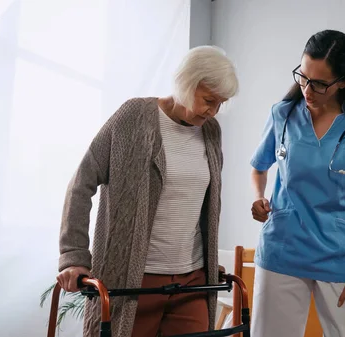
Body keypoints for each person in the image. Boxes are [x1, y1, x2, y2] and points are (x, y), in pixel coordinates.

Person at [56, 45, 239, 337]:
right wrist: (73, 255)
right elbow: (81, 183)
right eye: (208, 100)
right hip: (131, 279)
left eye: (221, 103)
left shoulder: (211, 131)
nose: (213, 111)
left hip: (192, 281)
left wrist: (207, 260)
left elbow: (200, 205)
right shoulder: (133, 117)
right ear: (187, 83)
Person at [249, 30, 345, 337]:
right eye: (303, 77)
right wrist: (258, 196)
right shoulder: (283, 114)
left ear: (344, 81)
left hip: (340, 256)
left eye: (319, 83)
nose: (307, 88)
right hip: (282, 249)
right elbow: (258, 167)